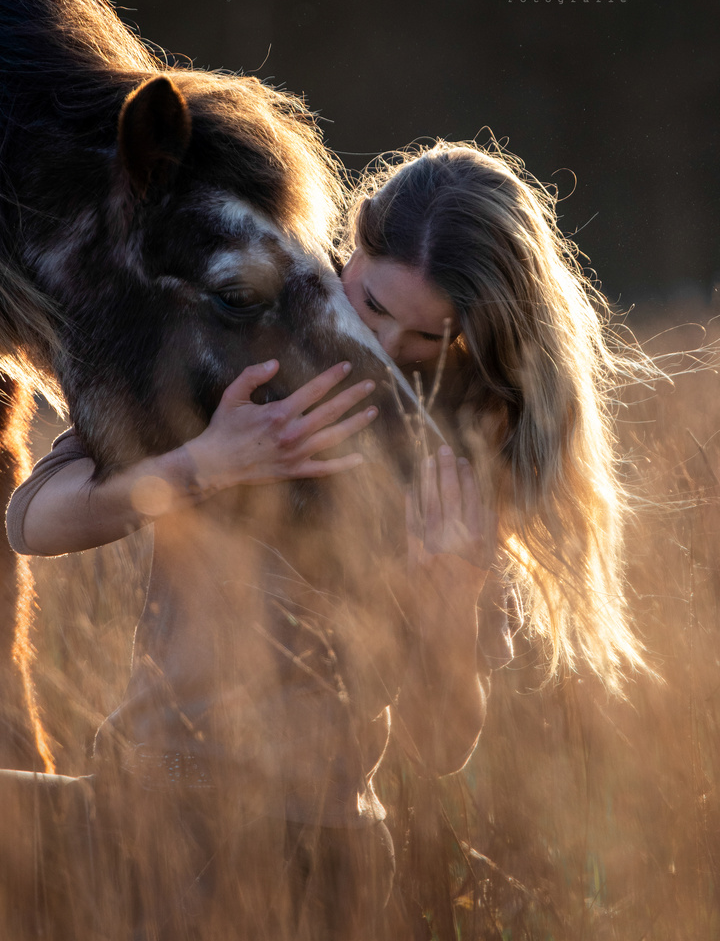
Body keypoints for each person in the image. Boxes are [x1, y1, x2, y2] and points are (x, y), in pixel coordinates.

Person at [5, 138, 642, 937]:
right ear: (348, 253)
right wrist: (206, 462)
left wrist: (450, 603)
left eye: (428, 338)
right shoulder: (232, 345)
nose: (389, 349)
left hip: (308, 849)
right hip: (134, 809)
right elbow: (34, 520)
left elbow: (440, 743)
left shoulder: (450, 457)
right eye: (374, 306)